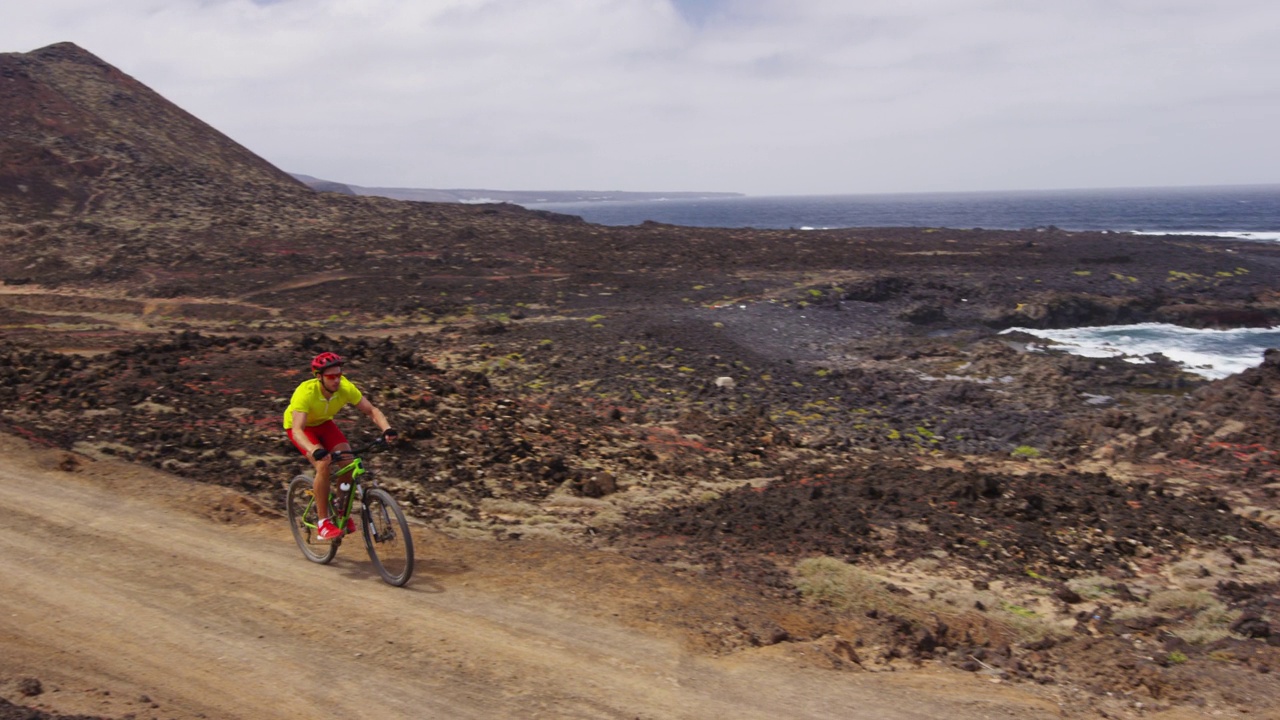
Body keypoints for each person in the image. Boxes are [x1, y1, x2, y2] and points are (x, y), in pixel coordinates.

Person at [284, 351, 397, 540]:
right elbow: (297, 430)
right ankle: (323, 523)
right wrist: (315, 450)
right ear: (319, 377)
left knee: (348, 462)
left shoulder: (345, 388)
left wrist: (387, 429)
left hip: (324, 423)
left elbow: (371, 410)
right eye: (330, 377)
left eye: (339, 375)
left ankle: (340, 509)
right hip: (302, 428)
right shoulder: (305, 392)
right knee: (323, 465)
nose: (336, 380)